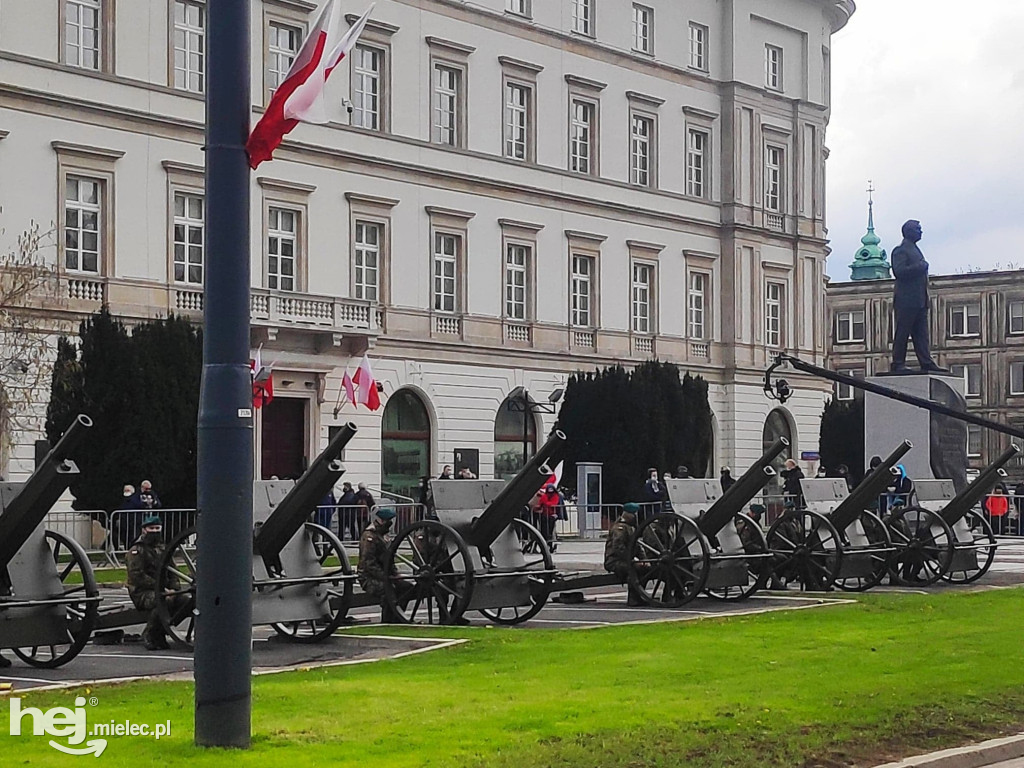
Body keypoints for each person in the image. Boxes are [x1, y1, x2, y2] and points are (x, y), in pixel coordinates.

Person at [890, 219, 947, 374]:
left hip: (920, 299)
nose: (921, 232)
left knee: (921, 334)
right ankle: (897, 362)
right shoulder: (900, 250)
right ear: (908, 232)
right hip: (906, 300)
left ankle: (926, 361)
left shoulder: (915, 249)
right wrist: (920, 266)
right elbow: (899, 271)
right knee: (903, 331)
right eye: (918, 229)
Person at [126, 514, 188, 650]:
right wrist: (162, 590)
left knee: (187, 601)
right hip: (142, 593)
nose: (154, 531)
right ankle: (149, 634)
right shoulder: (136, 550)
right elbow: (137, 576)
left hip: (164, 591)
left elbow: (173, 571)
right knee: (164, 601)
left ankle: (162, 630)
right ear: (144, 530)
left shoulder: (163, 549)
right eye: (151, 528)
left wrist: (175, 589)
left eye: (157, 528)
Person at [358, 507, 400, 623]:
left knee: (406, 588)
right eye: (388, 521)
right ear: (381, 520)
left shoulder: (384, 535)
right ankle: (387, 621)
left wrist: (396, 574)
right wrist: (385, 577)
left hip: (385, 574)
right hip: (369, 577)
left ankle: (397, 617)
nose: (390, 524)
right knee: (388, 590)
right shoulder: (370, 536)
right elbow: (368, 563)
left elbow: (390, 560)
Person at [604, 504, 643, 606]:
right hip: (614, 561)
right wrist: (632, 561)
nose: (636, 516)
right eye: (634, 514)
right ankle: (633, 598)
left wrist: (645, 560)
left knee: (644, 569)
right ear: (628, 515)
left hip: (624, 560)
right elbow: (618, 548)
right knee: (633, 570)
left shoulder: (630, 527)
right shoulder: (619, 528)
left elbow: (638, 547)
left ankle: (639, 595)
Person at [537, 483, 561, 552]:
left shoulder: (556, 496)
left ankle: (550, 546)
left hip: (552, 516)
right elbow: (541, 503)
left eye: (551, 489)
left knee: (550, 531)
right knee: (543, 531)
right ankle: (545, 547)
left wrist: (546, 503)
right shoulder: (544, 496)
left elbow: (553, 504)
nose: (550, 491)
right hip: (544, 515)